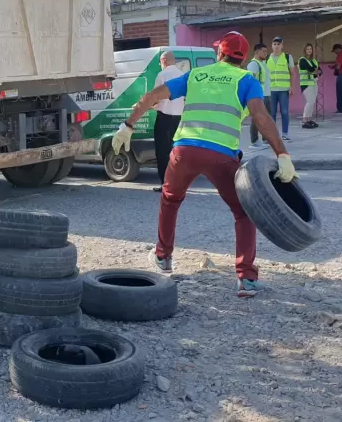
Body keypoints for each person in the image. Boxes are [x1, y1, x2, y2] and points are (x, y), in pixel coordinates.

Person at [111, 31, 297, 298]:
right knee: (243, 212)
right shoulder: (247, 80)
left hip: (185, 150)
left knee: (170, 199)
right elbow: (261, 117)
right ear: (242, 57)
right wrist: (282, 154)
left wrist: (127, 127)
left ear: (219, 53)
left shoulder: (196, 75)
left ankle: (163, 256)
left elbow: (152, 96)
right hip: (221, 154)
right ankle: (246, 278)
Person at [151, 50, 184, 192]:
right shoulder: (182, 75)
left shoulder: (162, 75)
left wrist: (148, 105)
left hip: (164, 118)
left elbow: (155, 96)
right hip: (179, 118)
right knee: (177, 151)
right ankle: (179, 183)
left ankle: (166, 183)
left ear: (163, 60)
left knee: (162, 151)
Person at [267, 37, 294, 141]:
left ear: (282, 45)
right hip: (271, 90)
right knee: (272, 113)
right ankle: (273, 134)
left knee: (284, 112)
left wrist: (291, 86)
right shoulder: (267, 57)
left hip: (283, 89)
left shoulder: (287, 57)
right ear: (272, 46)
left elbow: (292, 73)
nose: (276, 46)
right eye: (274, 44)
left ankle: (285, 133)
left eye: (278, 44)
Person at [298, 43, 322, 129]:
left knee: (312, 102)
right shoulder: (302, 60)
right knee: (309, 101)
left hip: (314, 82)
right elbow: (311, 69)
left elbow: (320, 71)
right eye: (307, 49)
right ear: (305, 50)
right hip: (306, 84)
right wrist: (315, 71)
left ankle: (309, 119)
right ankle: (304, 120)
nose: (309, 51)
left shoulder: (314, 60)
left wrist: (316, 71)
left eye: (310, 49)